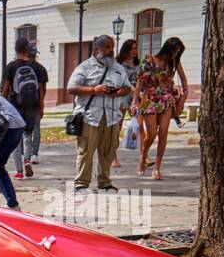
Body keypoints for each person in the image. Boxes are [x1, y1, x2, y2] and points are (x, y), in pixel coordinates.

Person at [66, 34, 131, 193]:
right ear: (97, 49)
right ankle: (81, 183)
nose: (111, 51)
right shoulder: (84, 67)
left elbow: (128, 87)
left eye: (112, 47)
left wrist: (119, 92)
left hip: (112, 117)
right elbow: (71, 88)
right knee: (86, 151)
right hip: (90, 117)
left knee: (108, 151)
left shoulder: (118, 68)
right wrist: (94, 90)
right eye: (107, 47)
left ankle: (104, 182)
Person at [131, 37, 187, 179]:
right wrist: (134, 100)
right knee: (151, 134)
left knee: (163, 132)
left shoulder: (174, 62)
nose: (175, 55)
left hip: (167, 100)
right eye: (174, 51)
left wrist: (183, 99)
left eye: (178, 53)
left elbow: (183, 79)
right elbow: (140, 82)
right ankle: (143, 157)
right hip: (149, 99)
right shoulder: (149, 61)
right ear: (168, 48)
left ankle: (157, 168)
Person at [0, 37, 47, 179]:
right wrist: (41, 106)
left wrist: (2, 105)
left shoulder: (11, 66)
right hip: (32, 107)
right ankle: (27, 159)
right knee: (28, 135)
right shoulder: (38, 67)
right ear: (27, 49)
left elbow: (6, 88)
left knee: (15, 138)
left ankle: (19, 171)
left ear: (16, 50)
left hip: (15, 107)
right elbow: (42, 89)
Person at [112, 39, 140, 169]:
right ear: (127, 49)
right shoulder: (120, 65)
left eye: (136, 48)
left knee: (139, 127)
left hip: (136, 98)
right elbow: (121, 82)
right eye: (132, 48)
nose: (135, 51)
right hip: (123, 97)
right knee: (117, 128)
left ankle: (143, 156)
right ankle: (113, 156)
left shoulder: (137, 64)